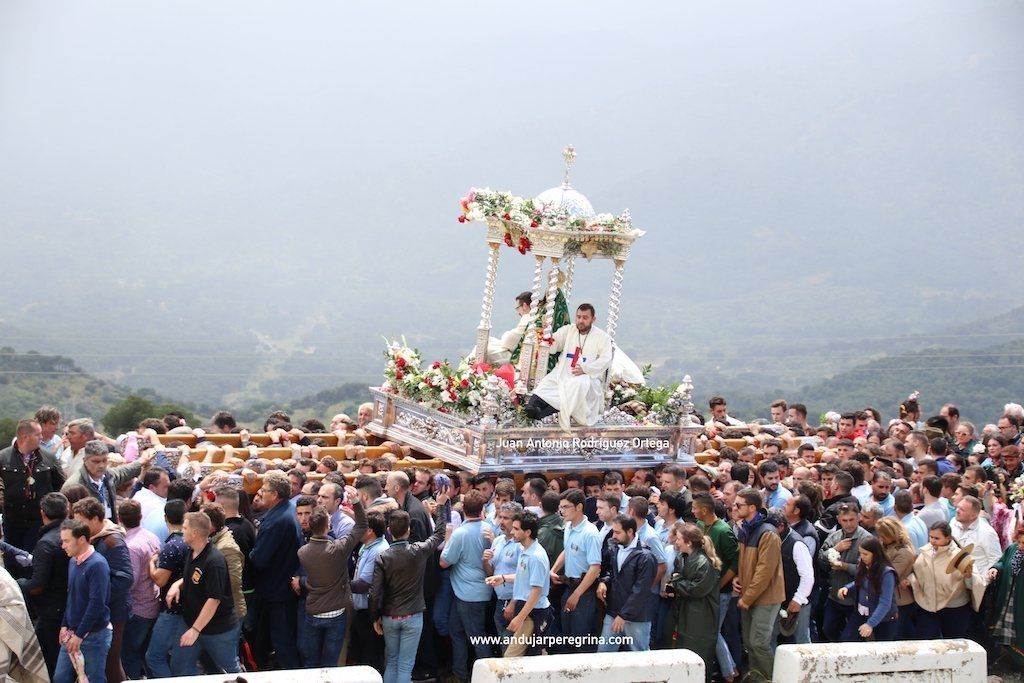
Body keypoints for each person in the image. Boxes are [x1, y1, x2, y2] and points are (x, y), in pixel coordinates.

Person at [369, 484, 451, 683]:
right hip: (413, 616)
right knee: (406, 664)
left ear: (389, 530)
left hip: (390, 616)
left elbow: (374, 593)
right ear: (408, 530)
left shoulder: (383, 556)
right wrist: (440, 507)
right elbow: (440, 534)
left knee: (393, 662)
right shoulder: (418, 550)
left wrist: (374, 617)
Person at [298, 486, 366, 668]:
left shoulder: (303, 552)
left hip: (313, 611)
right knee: (330, 663)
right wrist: (356, 503)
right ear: (328, 526)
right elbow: (361, 526)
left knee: (311, 661)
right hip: (336, 613)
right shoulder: (338, 549)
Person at [166, 511, 241, 675]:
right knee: (180, 667)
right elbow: (192, 577)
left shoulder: (214, 561)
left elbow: (214, 599)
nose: (181, 530)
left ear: (194, 533)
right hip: (191, 622)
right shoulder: (191, 552)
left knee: (230, 670)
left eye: (184, 528)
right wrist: (177, 585)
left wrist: (195, 630)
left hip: (217, 630)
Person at [526, 304, 615, 430]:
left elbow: (606, 359)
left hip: (587, 377)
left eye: (585, 318)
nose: (581, 321)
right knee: (548, 382)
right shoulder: (568, 330)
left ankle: (541, 414)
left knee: (577, 386)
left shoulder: (602, 337)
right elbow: (554, 345)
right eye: (578, 317)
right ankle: (532, 407)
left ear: (593, 319)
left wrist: (586, 369)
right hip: (564, 370)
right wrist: (549, 337)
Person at [72, 497, 131, 683]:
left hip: (114, 611)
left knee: (111, 662)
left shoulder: (113, 542)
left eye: (81, 522)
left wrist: (98, 596)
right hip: (99, 611)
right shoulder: (94, 540)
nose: (77, 527)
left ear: (96, 519)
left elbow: (125, 579)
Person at [248, 474, 303, 669]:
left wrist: (250, 552)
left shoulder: (277, 521)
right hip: (279, 588)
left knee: (283, 642)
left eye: (265, 490)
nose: (260, 493)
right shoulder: (286, 510)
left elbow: (259, 559)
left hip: (277, 592)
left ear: (276, 494)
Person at [439, 490, 491, 683]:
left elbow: (444, 562)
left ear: (463, 510)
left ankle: (488, 677)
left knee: (477, 637)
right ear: (482, 509)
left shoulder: (460, 533)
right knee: (457, 632)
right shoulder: (488, 527)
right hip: (474, 592)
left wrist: (447, 537)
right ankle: (460, 673)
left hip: (469, 595)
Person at [484, 512, 551, 658]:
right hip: (526, 610)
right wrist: (502, 578)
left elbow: (536, 591)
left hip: (533, 613)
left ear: (527, 532)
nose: (512, 532)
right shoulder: (524, 550)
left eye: (516, 529)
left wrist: (520, 618)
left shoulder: (536, 556)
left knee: (511, 658)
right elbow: (523, 576)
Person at [17, 491, 69, 677]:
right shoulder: (72, 533)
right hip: (68, 606)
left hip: (52, 612)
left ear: (42, 513)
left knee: (51, 660)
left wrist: (19, 584)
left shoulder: (46, 544)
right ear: (67, 510)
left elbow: (37, 586)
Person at [732, 488, 783, 680]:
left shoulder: (768, 533)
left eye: (738, 505)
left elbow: (765, 571)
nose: (734, 508)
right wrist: (738, 577)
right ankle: (757, 678)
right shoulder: (746, 528)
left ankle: (772, 679)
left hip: (765, 597)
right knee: (750, 643)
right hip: (749, 594)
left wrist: (747, 597)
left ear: (752, 507)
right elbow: (745, 561)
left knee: (759, 643)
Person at [54, 519, 112, 683]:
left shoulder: (97, 564)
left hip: (94, 635)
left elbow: (97, 603)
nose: (63, 546)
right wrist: (65, 625)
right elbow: (71, 596)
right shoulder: (73, 561)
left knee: (94, 678)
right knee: (60, 677)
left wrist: (79, 635)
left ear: (81, 539)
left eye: (66, 541)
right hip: (72, 632)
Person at [0, 419, 66, 553]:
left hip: (39, 522)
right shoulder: (3, 458)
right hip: (12, 522)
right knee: (12, 560)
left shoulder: (49, 459)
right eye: (38, 434)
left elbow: (60, 486)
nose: (41, 437)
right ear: (25, 436)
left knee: (34, 561)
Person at [666, 522, 721, 682]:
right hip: (683, 613)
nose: (676, 542)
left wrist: (676, 583)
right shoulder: (681, 558)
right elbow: (677, 577)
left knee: (699, 653)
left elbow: (695, 589)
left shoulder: (704, 563)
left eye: (679, 539)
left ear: (688, 542)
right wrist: (678, 582)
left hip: (701, 616)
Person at [549, 489, 602, 652]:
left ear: (579, 507)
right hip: (569, 586)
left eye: (566, 507)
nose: (561, 511)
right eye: (561, 507)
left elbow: (595, 569)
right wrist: (553, 570)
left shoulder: (590, 533)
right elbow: (567, 550)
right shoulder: (569, 526)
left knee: (581, 640)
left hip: (584, 591)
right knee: (568, 636)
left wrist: (577, 594)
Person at [595, 515, 656, 652]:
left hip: (637, 617)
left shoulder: (645, 557)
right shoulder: (616, 549)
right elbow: (612, 572)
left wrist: (624, 615)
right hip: (614, 611)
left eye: (617, 532)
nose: (614, 536)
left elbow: (641, 590)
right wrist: (604, 582)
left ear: (629, 532)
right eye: (613, 532)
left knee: (639, 656)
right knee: (604, 654)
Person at [145, 499, 189, 677]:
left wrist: (150, 563)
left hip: (172, 611)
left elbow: (160, 580)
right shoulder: (190, 542)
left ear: (165, 518)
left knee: (154, 657)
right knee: (182, 661)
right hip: (188, 608)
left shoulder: (171, 546)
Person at [118, 499, 160, 679]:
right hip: (153, 602)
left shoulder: (131, 547)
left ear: (119, 519)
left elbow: (131, 582)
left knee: (129, 654)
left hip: (138, 609)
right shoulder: (151, 537)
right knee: (146, 654)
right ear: (141, 517)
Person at [910, 522, 973, 639]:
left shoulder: (959, 556)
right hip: (928, 605)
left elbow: (972, 583)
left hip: (954, 608)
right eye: (931, 537)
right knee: (925, 642)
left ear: (947, 538)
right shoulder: (925, 552)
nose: (933, 541)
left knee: (954, 645)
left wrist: (968, 576)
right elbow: (918, 573)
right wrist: (911, 580)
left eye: (937, 538)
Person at [818, 504, 870, 642]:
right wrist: (835, 549)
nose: (848, 524)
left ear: (859, 518)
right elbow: (821, 559)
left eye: (851, 520)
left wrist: (846, 567)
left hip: (856, 598)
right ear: (839, 520)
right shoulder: (834, 538)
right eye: (845, 520)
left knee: (850, 638)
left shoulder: (867, 539)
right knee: (828, 629)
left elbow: (870, 570)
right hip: (835, 595)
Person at [837, 537, 899, 641]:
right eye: (860, 553)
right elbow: (860, 582)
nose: (862, 557)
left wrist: (870, 624)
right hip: (861, 613)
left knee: (882, 651)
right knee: (847, 641)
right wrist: (847, 588)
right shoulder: (862, 565)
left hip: (884, 619)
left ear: (875, 554)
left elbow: (885, 603)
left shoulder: (887, 573)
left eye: (865, 554)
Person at [350, 510, 389, 673]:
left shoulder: (377, 550)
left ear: (370, 531)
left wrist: (339, 584)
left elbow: (363, 585)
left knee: (371, 659)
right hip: (362, 609)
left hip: (370, 612)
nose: (355, 530)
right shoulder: (368, 546)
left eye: (359, 527)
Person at [987, 522, 1024, 671]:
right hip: (1009, 598)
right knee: (1008, 632)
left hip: (1020, 603)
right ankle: (1012, 665)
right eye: (1020, 541)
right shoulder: (1012, 549)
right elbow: (1003, 562)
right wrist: (996, 568)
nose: (1021, 546)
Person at [875, 518, 917, 639]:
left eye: (883, 536)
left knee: (894, 635)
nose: (881, 538)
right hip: (891, 598)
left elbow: (891, 575)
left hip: (900, 600)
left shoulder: (903, 552)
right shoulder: (886, 545)